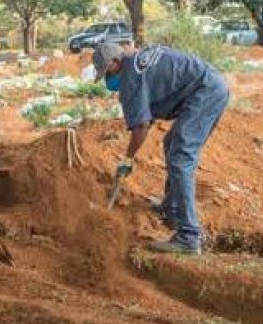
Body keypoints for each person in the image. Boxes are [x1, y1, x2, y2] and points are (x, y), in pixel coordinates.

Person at [94, 42, 229, 255]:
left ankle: (188, 236)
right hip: (208, 85)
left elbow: (141, 127)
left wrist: (128, 159)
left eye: (106, 72)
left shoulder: (131, 78)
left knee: (180, 158)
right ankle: (172, 208)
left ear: (116, 62)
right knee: (171, 143)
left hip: (205, 92)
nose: (107, 79)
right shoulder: (136, 59)